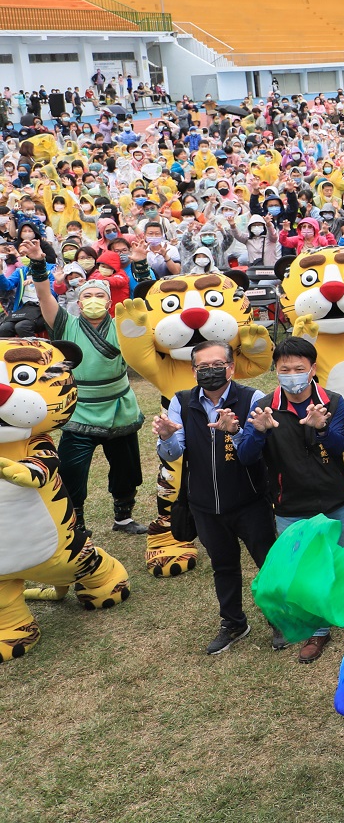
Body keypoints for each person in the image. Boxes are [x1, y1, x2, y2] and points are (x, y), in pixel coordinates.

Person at [151, 341, 273, 655]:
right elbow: (175, 450)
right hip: (204, 503)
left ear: (231, 367)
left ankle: (281, 618)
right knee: (223, 566)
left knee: (267, 564)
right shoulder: (182, 401)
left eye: (217, 364)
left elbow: (254, 453)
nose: (210, 371)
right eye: (202, 367)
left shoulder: (252, 398)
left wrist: (236, 431)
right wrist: (166, 437)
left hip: (250, 500)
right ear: (192, 371)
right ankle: (233, 622)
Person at [23, 236, 145, 534]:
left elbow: (146, 306)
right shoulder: (66, 324)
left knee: (126, 469)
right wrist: (39, 262)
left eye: (99, 296)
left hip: (119, 407)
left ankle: (124, 517)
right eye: (87, 296)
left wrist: (140, 265)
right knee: (72, 470)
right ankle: (75, 521)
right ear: (79, 303)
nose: (93, 300)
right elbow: (44, 297)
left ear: (109, 301)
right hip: (80, 411)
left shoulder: (122, 325)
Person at [250, 335, 344, 664]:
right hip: (290, 504)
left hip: (336, 499)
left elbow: (338, 447)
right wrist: (258, 432)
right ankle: (318, 630)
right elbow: (248, 456)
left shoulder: (332, 400)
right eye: (284, 368)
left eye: (299, 367)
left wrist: (322, 428)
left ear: (311, 370)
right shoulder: (265, 406)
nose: (292, 373)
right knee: (305, 570)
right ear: (276, 371)